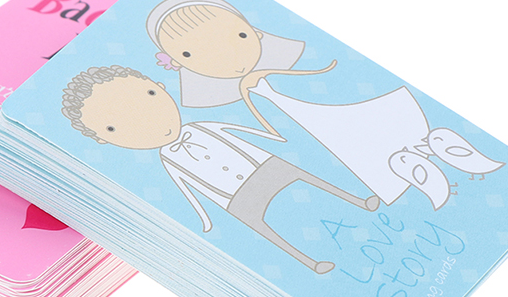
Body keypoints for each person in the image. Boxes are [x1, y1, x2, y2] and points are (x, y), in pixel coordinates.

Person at [146, 0, 502, 209]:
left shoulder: (283, 66)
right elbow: (267, 127)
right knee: (358, 153)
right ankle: (419, 171)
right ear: (181, 64)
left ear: (253, 31)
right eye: (191, 54)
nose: (224, 55)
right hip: (313, 131)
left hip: (331, 112)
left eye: (238, 35)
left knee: (370, 129)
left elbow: (318, 78)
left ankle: (435, 146)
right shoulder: (235, 98)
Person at [61, 65, 380, 275]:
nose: (147, 120)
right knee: (265, 229)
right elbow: (186, 186)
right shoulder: (168, 158)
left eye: (149, 96)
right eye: (115, 127)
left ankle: (358, 201)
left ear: (160, 86)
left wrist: (271, 137)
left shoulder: (199, 126)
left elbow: (234, 131)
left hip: (259, 164)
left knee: (305, 176)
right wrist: (204, 217)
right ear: (104, 139)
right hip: (232, 195)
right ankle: (309, 261)